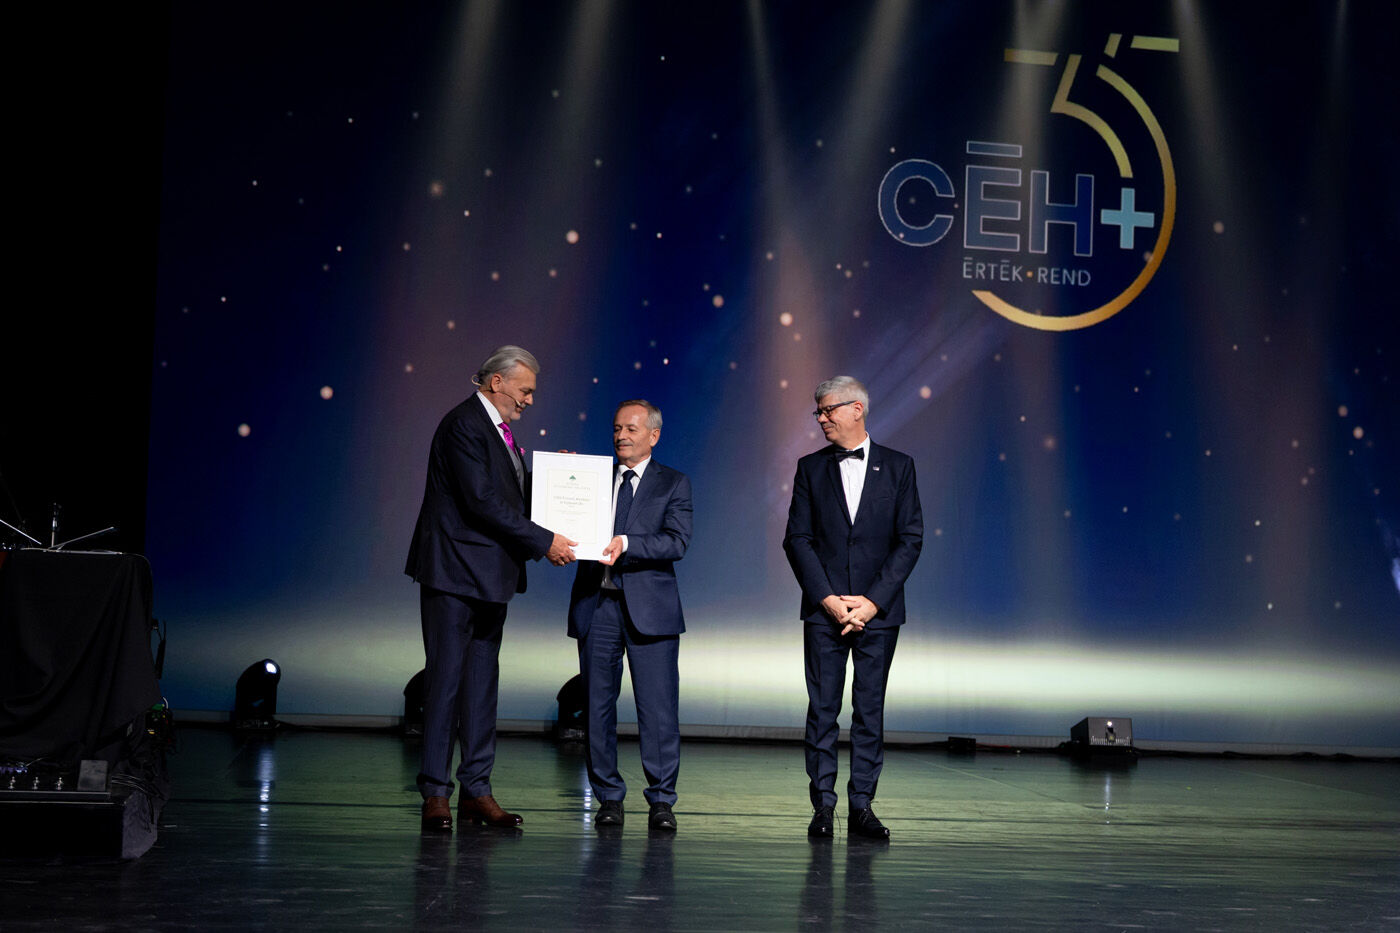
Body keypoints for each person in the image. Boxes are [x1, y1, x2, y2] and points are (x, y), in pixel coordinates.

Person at [405, 345, 577, 833]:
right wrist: (544, 541)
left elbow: (506, 491)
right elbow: (480, 500)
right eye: (525, 390)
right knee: (445, 684)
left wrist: (554, 479)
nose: (530, 401)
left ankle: (477, 790)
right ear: (496, 382)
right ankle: (436, 793)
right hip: (453, 574)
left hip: (490, 577)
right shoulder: (463, 424)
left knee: (481, 688)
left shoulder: (498, 430)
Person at [782, 376, 923, 840]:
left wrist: (872, 601)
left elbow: (909, 540)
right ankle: (823, 806)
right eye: (818, 412)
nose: (821, 418)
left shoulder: (899, 467)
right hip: (824, 611)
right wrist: (827, 598)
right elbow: (797, 539)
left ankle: (862, 804)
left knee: (869, 709)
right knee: (822, 710)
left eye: (828, 410)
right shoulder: (810, 468)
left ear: (857, 408)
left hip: (877, 613)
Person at [568, 400, 692, 831]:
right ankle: (608, 797)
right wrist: (559, 475)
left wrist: (627, 542)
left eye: (631, 429)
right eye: (617, 428)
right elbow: (559, 512)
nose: (621, 436)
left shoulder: (673, 483)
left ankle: (661, 801)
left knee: (658, 711)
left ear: (653, 435)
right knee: (596, 708)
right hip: (598, 605)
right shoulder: (593, 479)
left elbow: (677, 541)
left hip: (651, 611)